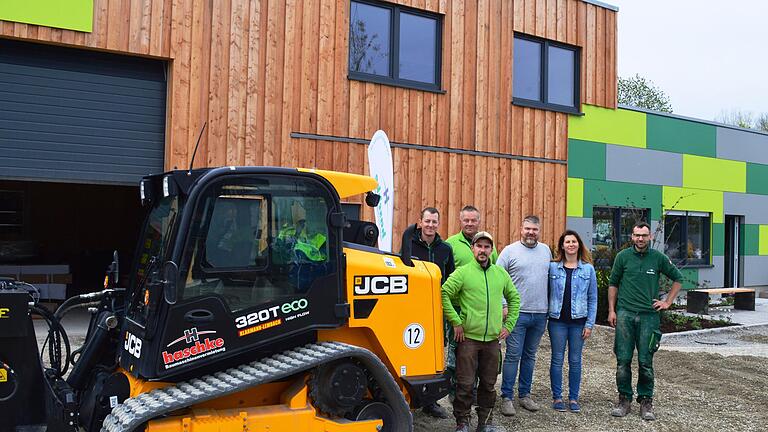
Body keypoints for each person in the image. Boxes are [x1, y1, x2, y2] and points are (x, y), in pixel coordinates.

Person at [442, 232, 520, 432]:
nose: (483, 250)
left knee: (488, 384)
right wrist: (456, 321)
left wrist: (509, 325)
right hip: (468, 339)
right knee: (465, 383)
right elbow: (444, 293)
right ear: (472, 249)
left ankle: (485, 422)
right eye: (479, 246)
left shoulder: (500, 274)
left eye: (487, 247)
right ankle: (462, 422)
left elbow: (514, 299)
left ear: (491, 250)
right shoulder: (463, 272)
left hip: (492, 340)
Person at [608, 222, 682, 421]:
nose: (640, 239)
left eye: (644, 235)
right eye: (636, 235)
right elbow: (613, 283)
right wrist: (612, 310)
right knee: (623, 361)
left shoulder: (658, 258)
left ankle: (646, 401)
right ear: (631, 236)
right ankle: (624, 399)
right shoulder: (622, 257)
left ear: (650, 237)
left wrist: (667, 302)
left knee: (645, 362)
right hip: (625, 314)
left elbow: (678, 278)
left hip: (649, 317)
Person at [399, 207, 455, 419]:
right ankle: (407, 399)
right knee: (411, 350)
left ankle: (431, 402)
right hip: (412, 308)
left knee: (434, 354)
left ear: (438, 224)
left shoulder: (446, 249)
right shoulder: (408, 244)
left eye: (434, 222)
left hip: (436, 310)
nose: (431, 225)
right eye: (427, 221)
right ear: (419, 222)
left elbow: (449, 279)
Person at [497, 215, 552, 416]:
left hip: (539, 314)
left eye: (535, 229)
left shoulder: (546, 250)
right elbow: (497, 279)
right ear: (521, 229)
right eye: (527, 228)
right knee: (513, 355)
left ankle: (525, 395)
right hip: (516, 315)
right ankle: (507, 397)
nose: (531, 232)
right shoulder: (509, 251)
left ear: (539, 231)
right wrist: (503, 305)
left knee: (530, 356)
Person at [547, 230, 597, 413]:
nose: (571, 244)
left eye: (574, 241)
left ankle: (574, 398)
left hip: (579, 323)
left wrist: (589, 324)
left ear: (579, 245)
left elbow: (593, 298)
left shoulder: (588, 269)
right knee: (557, 360)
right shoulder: (552, 267)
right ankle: (557, 396)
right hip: (557, 322)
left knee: (575, 361)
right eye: (567, 241)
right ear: (562, 245)